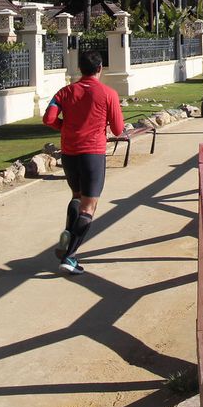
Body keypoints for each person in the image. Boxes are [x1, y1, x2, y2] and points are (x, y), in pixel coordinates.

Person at [42, 48, 124, 275]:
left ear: (80, 68)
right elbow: (117, 130)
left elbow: (48, 118)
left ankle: (68, 233)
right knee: (90, 206)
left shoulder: (64, 92)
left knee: (76, 196)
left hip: (69, 153)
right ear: (100, 69)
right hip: (93, 154)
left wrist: (65, 127)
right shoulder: (108, 94)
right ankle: (70, 256)